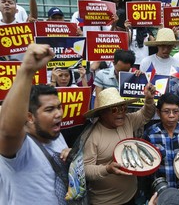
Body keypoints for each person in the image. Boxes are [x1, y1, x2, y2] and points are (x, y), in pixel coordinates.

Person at [0, 43, 73, 204]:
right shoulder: (20, 149)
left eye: (59, 107)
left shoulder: (55, 133)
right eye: (49, 109)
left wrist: (70, 157)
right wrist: (26, 71)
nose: (58, 114)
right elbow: (7, 131)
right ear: (30, 117)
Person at [82, 84, 156, 205]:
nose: (121, 113)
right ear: (102, 113)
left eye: (123, 108)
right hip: (105, 202)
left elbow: (145, 115)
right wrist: (107, 169)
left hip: (131, 195)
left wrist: (148, 99)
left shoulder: (128, 121)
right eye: (114, 110)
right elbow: (85, 169)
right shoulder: (92, 136)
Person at [144, 93, 179, 188]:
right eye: (166, 111)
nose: (171, 116)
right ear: (158, 113)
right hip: (161, 189)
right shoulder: (151, 133)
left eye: (175, 111)